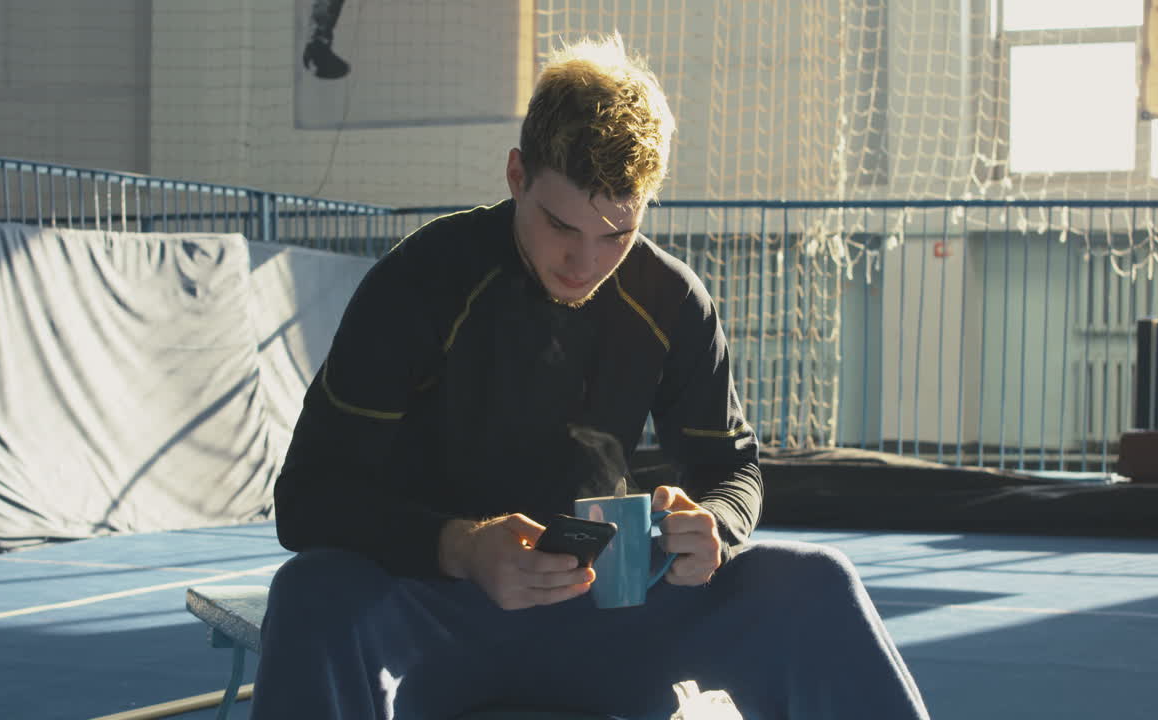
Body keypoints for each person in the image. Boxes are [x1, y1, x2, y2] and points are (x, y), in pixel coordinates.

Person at [252, 34, 930, 720]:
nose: (584, 261)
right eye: (560, 226)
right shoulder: (420, 282)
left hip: (611, 615)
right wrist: (457, 548)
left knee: (814, 584)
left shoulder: (671, 299)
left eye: (617, 234)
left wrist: (714, 527)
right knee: (312, 589)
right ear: (516, 174)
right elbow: (308, 499)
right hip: (441, 614)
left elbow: (734, 470)